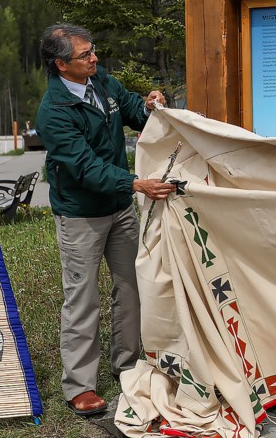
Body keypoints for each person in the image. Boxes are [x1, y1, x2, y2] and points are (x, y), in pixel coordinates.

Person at [36, 23, 177, 417]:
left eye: (93, 50)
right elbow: (84, 168)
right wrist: (135, 183)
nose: (94, 58)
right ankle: (79, 385)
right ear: (62, 65)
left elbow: (132, 110)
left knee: (131, 285)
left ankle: (127, 364)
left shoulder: (101, 83)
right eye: (85, 55)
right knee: (82, 298)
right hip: (81, 215)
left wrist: (149, 104)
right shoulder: (54, 112)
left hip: (120, 208)